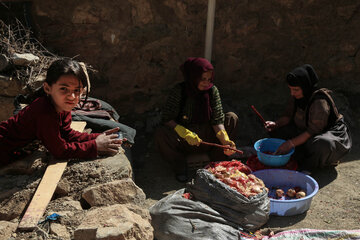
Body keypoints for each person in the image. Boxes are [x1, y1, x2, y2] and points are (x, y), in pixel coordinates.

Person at [0, 58, 124, 167]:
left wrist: (98, 137)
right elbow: (60, 151)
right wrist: (95, 146)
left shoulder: (61, 107)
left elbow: (67, 134)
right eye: (64, 89)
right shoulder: (44, 112)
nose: (71, 96)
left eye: (77, 90)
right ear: (47, 88)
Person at [155, 57, 239, 182]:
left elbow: (217, 119)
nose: (206, 83)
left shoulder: (212, 91)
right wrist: (183, 131)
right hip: (185, 139)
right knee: (160, 133)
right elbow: (166, 118)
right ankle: (180, 167)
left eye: (209, 79)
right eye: (202, 79)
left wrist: (224, 138)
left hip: (207, 135)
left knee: (232, 118)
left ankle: (216, 163)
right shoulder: (180, 91)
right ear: (193, 77)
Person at [265, 64, 352, 173]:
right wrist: (276, 124)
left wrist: (290, 143)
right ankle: (299, 156)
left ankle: (313, 165)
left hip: (327, 136)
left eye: (296, 90)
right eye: (291, 89)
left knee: (321, 144)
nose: (292, 93)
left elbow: (312, 131)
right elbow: (288, 116)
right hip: (305, 132)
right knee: (276, 131)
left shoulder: (319, 102)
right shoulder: (297, 97)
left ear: (305, 87)